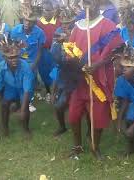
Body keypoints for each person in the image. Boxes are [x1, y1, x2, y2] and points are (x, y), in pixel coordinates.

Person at [64, 0, 123, 160]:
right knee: (74, 115)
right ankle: (77, 146)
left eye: (92, 3)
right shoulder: (78, 26)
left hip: (99, 79)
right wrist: (75, 64)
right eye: (86, 3)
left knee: (97, 116)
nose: (89, 7)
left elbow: (116, 51)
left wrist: (98, 64)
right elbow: (69, 50)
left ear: (99, 4)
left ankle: (95, 147)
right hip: (80, 80)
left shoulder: (108, 25)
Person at [0, 39, 35, 137]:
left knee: (25, 105)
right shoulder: (0, 67)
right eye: (10, 58)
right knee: (4, 104)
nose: (14, 60)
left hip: (23, 89)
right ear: (4, 58)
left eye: (15, 57)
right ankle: (5, 129)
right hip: (10, 87)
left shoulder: (25, 66)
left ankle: (26, 128)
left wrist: (23, 110)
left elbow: (27, 89)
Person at [10, 3, 45, 112]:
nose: (26, 23)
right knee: (17, 80)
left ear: (34, 23)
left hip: (31, 61)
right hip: (19, 59)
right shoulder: (15, 31)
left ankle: (28, 101)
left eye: (29, 21)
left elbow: (40, 51)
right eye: (25, 20)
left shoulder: (40, 33)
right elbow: (12, 47)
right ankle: (17, 101)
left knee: (29, 81)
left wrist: (34, 66)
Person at [49, 8, 76, 137]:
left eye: (68, 22)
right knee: (59, 106)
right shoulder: (57, 33)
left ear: (73, 21)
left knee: (82, 105)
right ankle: (62, 126)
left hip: (78, 73)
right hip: (63, 72)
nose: (65, 25)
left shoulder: (78, 32)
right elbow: (54, 55)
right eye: (63, 23)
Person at [36, 0, 61, 102]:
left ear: (53, 11)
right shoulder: (38, 23)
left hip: (56, 50)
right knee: (44, 72)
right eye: (43, 10)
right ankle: (48, 91)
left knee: (55, 71)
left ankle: (56, 92)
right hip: (43, 52)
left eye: (48, 10)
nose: (45, 12)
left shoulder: (58, 22)